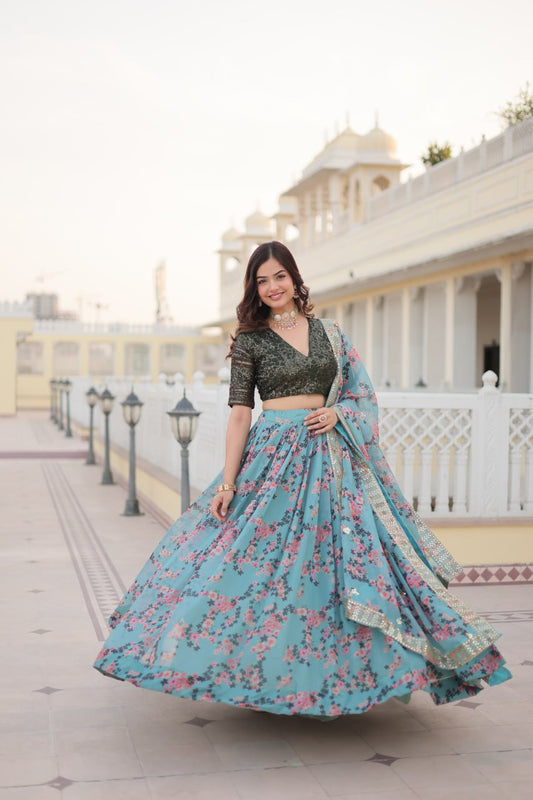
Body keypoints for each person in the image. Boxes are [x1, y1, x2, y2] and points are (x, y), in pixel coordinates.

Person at [93, 241, 511, 717]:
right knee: (255, 564)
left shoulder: (331, 334)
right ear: (254, 288)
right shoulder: (249, 341)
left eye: (279, 276)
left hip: (333, 461)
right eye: (261, 280)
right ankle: (263, 673)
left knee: (340, 565)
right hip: (272, 463)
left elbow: (363, 396)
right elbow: (238, 416)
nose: (271, 287)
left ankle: (346, 678)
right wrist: (229, 485)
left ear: (294, 277)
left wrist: (338, 413)